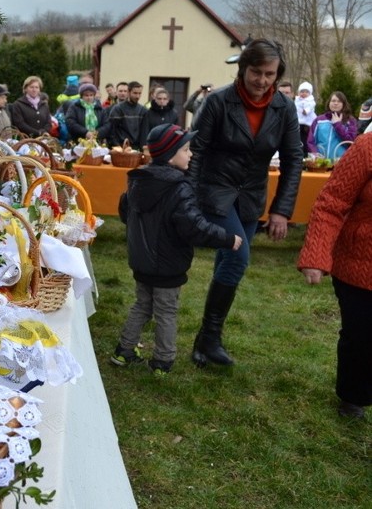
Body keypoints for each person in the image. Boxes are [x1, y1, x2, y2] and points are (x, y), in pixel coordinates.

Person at [188, 38, 303, 367]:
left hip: (252, 196)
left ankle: (203, 343)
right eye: (257, 72)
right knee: (238, 258)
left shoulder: (283, 107)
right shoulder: (218, 102)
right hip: (215, 190)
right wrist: (190, 198)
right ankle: (210, 338)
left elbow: (294, 159)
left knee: (228, 261)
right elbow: (197, 153)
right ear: (243, 69)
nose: (263, 81)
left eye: (270, 74)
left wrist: (282, 210)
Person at [114, 124, 241, 374]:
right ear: (171, 155)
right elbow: (194, 226)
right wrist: (227, 239)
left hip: (141, 261)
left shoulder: (138, 181)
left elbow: (125, 212)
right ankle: (163, 359)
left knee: (142, 304)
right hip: (168, 265)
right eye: (185, 149)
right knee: (166, 311)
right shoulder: (178, 187)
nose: (191, 154)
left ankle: (124, 350)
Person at [298, 132, 372, 419]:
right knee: (361, 336)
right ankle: (353, 397)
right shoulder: (367, 148)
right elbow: (331, 203)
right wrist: (316, 255)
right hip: (359, 262)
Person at [98, 81, 150, 149]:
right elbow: (111, 131)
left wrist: (142, 149)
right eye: (135, 93)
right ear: (128, 92)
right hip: (120, 148)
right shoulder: (118, 109)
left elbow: (144, 133)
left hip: (136, 149)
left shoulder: (143, 110)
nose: (137, 96)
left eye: (139, 93)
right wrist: (117, 146)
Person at [306, 91, 358, 159]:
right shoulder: (319, 120)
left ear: (343, 104)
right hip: (321, 164)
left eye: (339, 101)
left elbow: (351, 141)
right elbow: (311, 141)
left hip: (341, 162)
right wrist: (316, 156)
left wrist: (337, 125)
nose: (335, 103)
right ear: (329, 103)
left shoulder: (350, 121)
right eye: (333, 101)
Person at [295, 81, 317, 153]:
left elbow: (308, 109)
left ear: (309, 93)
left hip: (307, 123)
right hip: (298, 122)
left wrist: (305, 110)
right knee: (298, 140)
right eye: (302, 91)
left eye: (306, 92)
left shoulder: (310, 101)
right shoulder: (297, 100)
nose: (304, 93)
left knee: (306, 139)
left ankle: (306, 152)